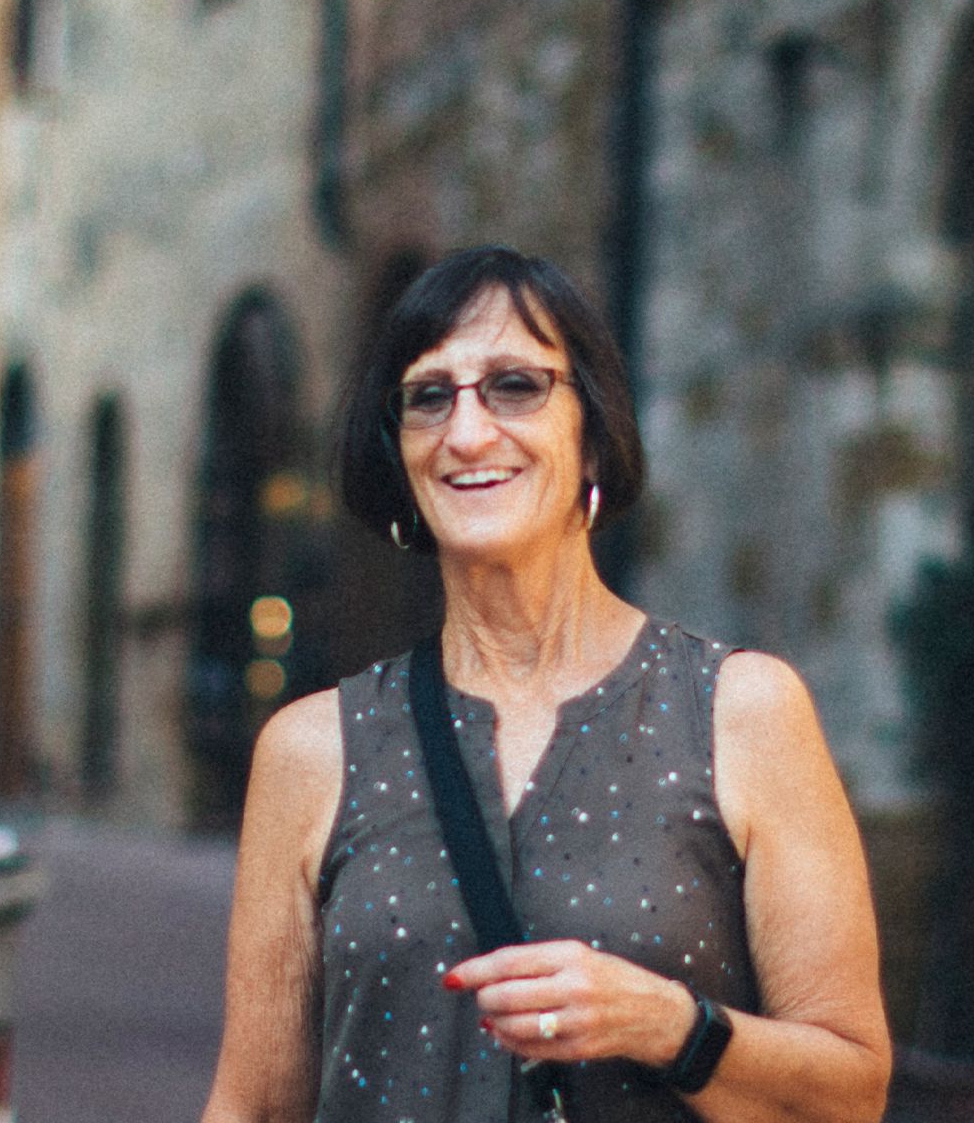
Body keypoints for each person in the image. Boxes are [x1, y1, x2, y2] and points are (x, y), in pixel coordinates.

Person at [199, 246, 893, 1123]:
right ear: (401, 458)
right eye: (427, 397)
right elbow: (253, 1108)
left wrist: (671, 1027)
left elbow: (852, 1096)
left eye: (515, 386)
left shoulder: (741, 712)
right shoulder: (311, 750)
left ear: (594, 432)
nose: (466, 431)